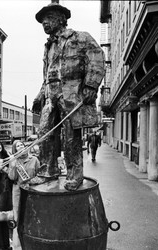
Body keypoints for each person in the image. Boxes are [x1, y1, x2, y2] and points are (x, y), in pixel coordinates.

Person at [32, 0, 105, 191]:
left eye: (48, 18)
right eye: (42, 21)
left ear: (61, 19)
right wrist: (40, 95)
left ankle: (74, 175)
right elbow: (48, 73)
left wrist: (91, 85)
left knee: (71, 137)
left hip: (71, 96)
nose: (44, 23)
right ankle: (48, 170)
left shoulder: (80, 37)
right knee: (44, 133)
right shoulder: (47, 47)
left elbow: (97, 59)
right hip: (51, 96)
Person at [8, 140, 40, 250]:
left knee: (31, 215)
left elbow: (39, 175)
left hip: (31, 191)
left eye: (22, 144)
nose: (21, 147)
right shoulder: (14, 161)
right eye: (18, 146)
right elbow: (12, 178)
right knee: (17, 217)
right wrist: (12, 165)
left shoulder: (34, 159)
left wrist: (31, 182)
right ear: (15, 149)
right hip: (17, 190)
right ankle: (17, 246)